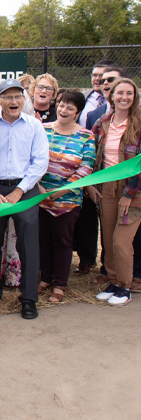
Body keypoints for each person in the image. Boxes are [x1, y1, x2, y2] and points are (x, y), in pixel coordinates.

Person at [0, 79, 49, 320]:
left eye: (17, 97)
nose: (13, 101)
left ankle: (29, 298)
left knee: (28, 245)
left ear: (24, 99)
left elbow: (40, 162)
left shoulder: (34, 126)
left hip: (25, 189)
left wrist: (20, 190)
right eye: (8, 97)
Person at [37, 90, 96, 303]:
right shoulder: (42, 129)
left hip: (68, 200)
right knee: (43, 240)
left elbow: (86, 167)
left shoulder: (86, 135)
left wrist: (63, 189)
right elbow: (32, 158)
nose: (64, 110)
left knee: (63, 241)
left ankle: (60, 284)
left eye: (70, 108)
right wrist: (38, 187)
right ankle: (46, 278)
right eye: (61, 105)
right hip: (40, 196)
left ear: (77, 112)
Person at [88, 79, 141, 306]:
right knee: (108, 239)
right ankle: (113, 280)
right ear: (112, 96)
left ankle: (125, 286)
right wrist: (90, 184)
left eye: (129, 93)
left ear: (134, 97)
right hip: (106, 189)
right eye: (120, 93)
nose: (124, 97)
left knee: (121, 240)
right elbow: (92, 155)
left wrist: (129, 193)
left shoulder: (138, 125)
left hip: (133, 190)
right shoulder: (102, 123)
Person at [85, 66, 126, 131]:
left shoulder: (137, 112)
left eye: (111, 79)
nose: (105, 83)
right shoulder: (92, 116)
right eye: (102, 81)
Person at [79, 60, 117, 127]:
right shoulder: (82, 97)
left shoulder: (121, 100)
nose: (97, 79)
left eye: (101, 76)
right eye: (94, 75)